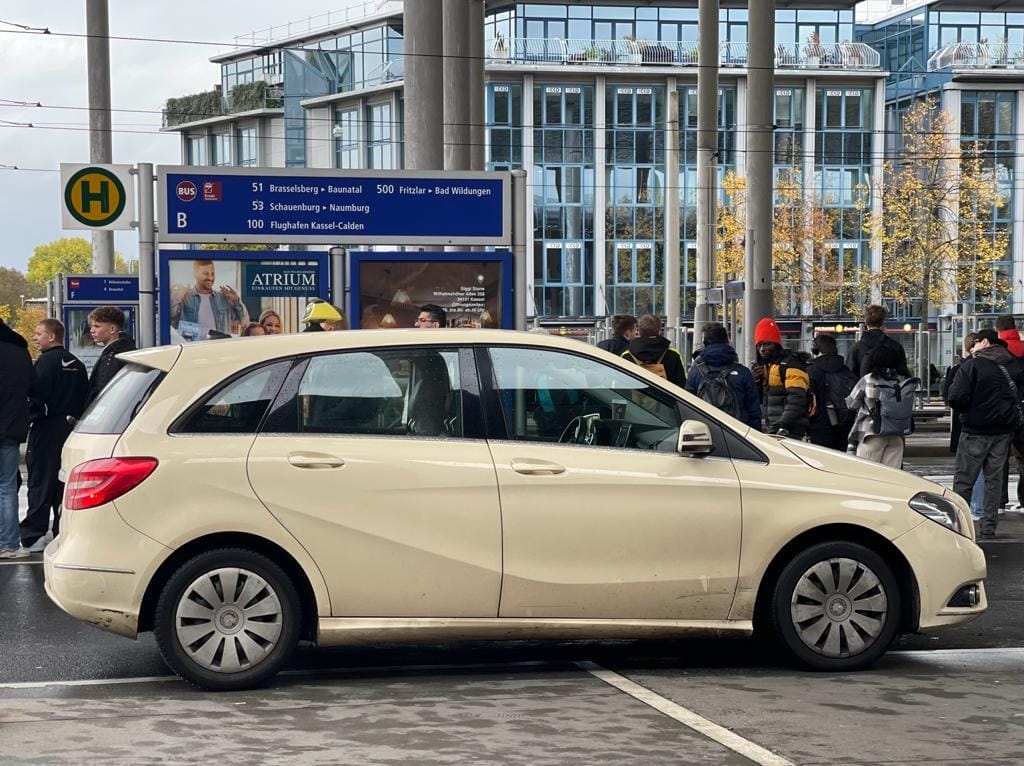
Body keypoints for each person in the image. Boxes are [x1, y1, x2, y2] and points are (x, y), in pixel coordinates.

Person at [947, 328, 1024, 539]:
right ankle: (989, 526)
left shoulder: (973, 366)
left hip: (974, 430)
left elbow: (955, 397)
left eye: (976, 342)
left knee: (964, 481)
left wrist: (970, 410)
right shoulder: (1013, 365)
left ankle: (957, 526)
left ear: (984, 342)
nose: (973, 346)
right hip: (1003, 432)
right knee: (994, 480)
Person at [20, 319, 88, 552]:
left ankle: (34, 535)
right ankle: (61, 530)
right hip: (71, 429)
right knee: (64, 481)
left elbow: (34, 397)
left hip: (46, 429)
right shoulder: (77, 365)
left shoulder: (44, 364)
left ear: (51, 336)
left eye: (39, 334)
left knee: (40, 479)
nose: (35, 338)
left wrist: (29, 416)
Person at [846, 343, 915, 468]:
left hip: (871, 435)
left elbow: (851, 404)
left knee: (868, 476)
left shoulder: (869, 379)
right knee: (892, 479)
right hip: (897, 435)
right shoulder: (904, 381)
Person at [684, 322, 760, 430]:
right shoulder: (743, 372)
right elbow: (754, 412)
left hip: (706, 433)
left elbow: (688, 407)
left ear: (704, 343)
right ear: (727, 341)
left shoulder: (695, 372)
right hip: (739, 435)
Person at [0, 316, 33, 559]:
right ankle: (9, 544)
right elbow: (33, 387)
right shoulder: (19, 352)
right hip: (10, 429)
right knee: (7, 487)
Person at [942, 333, 984, 519]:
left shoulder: (959, 369)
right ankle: (980, 508)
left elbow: (949, 396)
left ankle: (964, 510)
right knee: (984, 469)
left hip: (966, 424)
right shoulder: (993, 368)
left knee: (965, 470)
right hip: (987, 423)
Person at [751, 317, 810, 437]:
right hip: (776, 427)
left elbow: (797, 398)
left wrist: (784, 426)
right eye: (760, 345)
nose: (762, 349)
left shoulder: (792, 364)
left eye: (767, 344)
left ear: (776, 344)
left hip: (789, 429)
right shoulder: (767, 367)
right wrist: (757, 382)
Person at [169, 259, 246, 340]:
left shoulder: (223, 298)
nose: (210, 278)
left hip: (220, 347)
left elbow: (242, 320)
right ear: (195, 274)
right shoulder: (186, 297)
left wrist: (236, 301)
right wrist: (178, 296)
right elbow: (171, 319)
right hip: (193, 348)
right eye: (206, 274)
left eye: (212, 274)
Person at [807, 333, 858, 451]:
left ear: (815, 349)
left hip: (818, 428)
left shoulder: (811, 371)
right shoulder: (846, 371)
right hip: (845, 427)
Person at [995, 315, 1024, 511]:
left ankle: (1000, 500)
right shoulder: (1022, 348)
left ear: (998, 330)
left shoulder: (995, 352)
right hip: (1022, 408)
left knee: (999, 458)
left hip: (1001, 411)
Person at [85, 306, 137, 405]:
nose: (92, 330)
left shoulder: (112, 357)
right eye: (92, 326)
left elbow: (103, 391)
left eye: (97, 326)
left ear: (112, 329)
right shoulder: (127, 350)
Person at [622, 314, 686, 387]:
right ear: (659, 331)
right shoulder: (673, 355)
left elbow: (622, 384)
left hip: (635, 397)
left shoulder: (627, 355)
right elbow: (682, 384)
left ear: (639, 331)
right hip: (664, 397)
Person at [847, 304, 910, 377]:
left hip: (864, 387)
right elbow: (903, 375)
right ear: (883, 322)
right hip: (889, 387)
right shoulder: (895, 347)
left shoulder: (855, 348)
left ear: (866, 323)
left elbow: (850, 376)